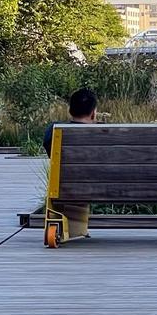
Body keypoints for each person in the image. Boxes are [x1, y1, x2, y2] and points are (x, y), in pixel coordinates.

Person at [43, 88, 97, 239]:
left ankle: (68, 229)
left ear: (70, 110)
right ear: (94, 113)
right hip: (104, 187)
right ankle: (78, 229)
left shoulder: (53, 131)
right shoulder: (104, 133)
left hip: (64, 188)